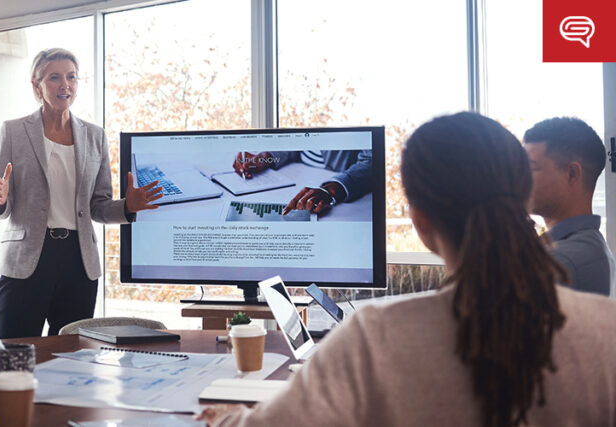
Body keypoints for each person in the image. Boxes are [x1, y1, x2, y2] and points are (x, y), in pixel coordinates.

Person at [199, 112, 616, 426]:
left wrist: (223, 417)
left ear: (419, 221)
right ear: (521, 197)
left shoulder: (376, 337)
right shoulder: (607, 331)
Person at [0, 48, 162, 339]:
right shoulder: (14, 131)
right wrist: (0, 198)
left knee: (71, 356)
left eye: (71, 77)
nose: (64, 84)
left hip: (78, 261)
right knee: (14, 352)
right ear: (37, 85)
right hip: (27, 260)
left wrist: (127, 207)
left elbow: (99, 206)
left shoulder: (94, 136)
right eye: (54, 77)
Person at [524, 117, 615, 297]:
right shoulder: (589, 246)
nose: (520, 177)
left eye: (531, 168)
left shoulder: (562, 262)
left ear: (572, 174)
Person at [232, 149, 372, 215]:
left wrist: (333, 189)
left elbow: (371, 161)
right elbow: (294, 148)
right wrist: (265, 158)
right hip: (295, 178)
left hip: (349, 201)